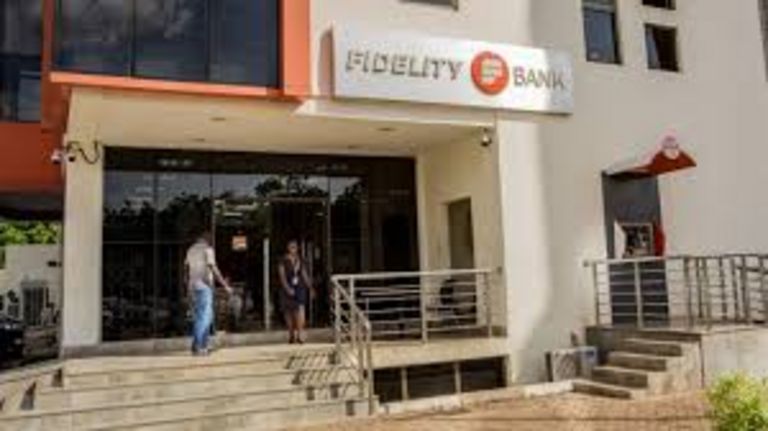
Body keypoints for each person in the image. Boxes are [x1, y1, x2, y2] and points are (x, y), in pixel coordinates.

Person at [185, 231, 231, 356]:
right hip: (204, 286)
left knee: (203, 316)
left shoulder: (191, 250)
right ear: (207, 238)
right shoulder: (208, 250)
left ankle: (201, 345)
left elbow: (187, 269)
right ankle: (199, 347)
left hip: (193, 286)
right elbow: (213, 268)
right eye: (211, 238)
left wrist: (188, 287)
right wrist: (225, 285)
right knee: (204, 317)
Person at [278, 240, 315, 344]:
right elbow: (282, 276)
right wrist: (287, 288)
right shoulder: (283, 260)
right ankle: (291, 334)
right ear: (288, 248)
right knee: (288, 312)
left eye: (295, 247)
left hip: (299, 287)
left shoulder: (300, 260)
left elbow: (304, 274)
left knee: (300, 309)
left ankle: (300, 334)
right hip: (287, 287)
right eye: (291, 247)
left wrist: (310, 288)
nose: (293, 249)